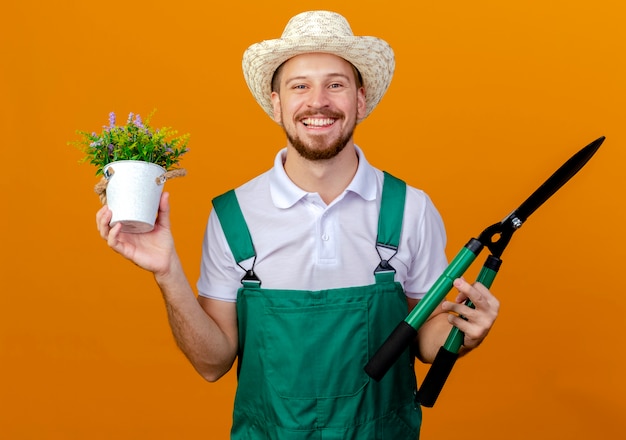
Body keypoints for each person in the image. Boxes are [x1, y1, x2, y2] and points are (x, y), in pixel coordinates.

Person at [96, 10, 499, 439]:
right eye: (299, 86)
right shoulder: (234, 214)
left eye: (336, 84)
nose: (318, 101)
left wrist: (464, 333)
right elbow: (212, 364)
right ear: (277, 104)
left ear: (360, 100)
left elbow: (426, 341)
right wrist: (167, 272)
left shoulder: (411, 209)